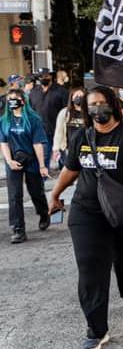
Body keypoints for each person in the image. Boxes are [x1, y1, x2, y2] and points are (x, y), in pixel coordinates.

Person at [47, 86, 123, 349]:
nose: (97, 108)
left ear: (113, 105)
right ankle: (96, 330)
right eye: (92, 104)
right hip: (87, 210)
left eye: (102, 103)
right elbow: (71, 168)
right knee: (90, 266)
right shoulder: (83, 136)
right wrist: (56, 194)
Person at [1, 89, 50, 243]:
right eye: (9, 99)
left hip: (32, 160)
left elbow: (37, 143)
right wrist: (9, 161)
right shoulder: (4, 121)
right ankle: (18, 230)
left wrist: (42, 165)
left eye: (14, 99)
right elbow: (3, 142)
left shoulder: (33, 119)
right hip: (14, 160)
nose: (11, 102)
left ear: (22, 100)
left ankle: (44, 213)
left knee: (36, 192)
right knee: (14, 196)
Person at [28, 67, 69, 169]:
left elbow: (67, 111)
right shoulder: (34, 92)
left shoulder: (61, 91)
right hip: (40, 130)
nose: (43, 78)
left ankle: (66, 171)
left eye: (46, 76)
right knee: (44, 155)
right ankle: (43, 176)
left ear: (50, 76)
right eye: (41, 76)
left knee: (61, 153)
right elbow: (30, 110)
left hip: (57, 129)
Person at [53, 88, 87, 169]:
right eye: (76, 95)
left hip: (85, 148)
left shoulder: (88, 113)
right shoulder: (65, 113)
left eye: (81, 96)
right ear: (71, 98)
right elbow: (59, 132)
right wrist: (56, 148)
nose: (79, 97)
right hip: (68, 148)